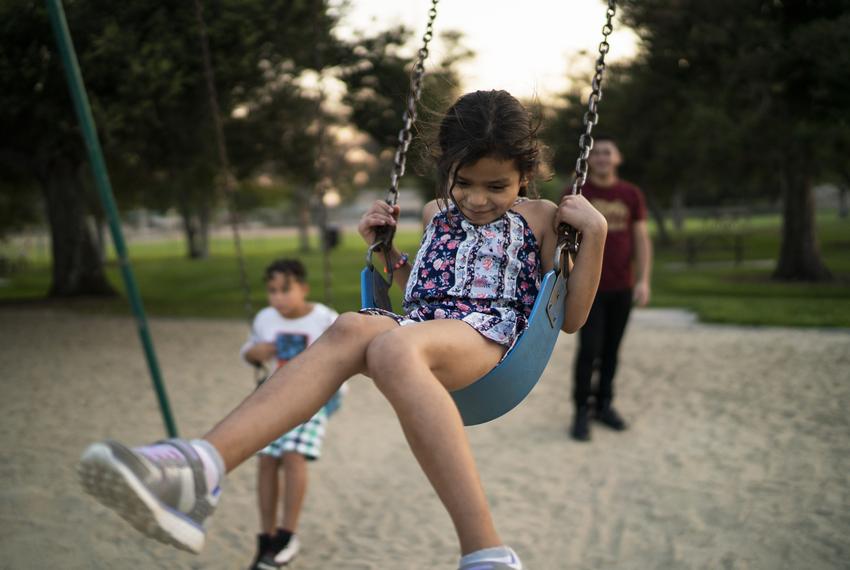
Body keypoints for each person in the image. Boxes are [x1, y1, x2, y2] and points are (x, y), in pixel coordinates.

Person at [78, 90, 607, 570]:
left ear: (526, 173)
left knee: (396, 346)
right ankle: (198, 469)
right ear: (445, 169)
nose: (476, 198)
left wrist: (595, 235)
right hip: (425, 325)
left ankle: (487, 551)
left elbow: (571, 318)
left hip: (490, 339)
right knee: (351, 324)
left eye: (497, 186)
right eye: (463, 182)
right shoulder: (435, 212)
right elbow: (427, 287)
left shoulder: (542, 218)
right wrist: (387, 253)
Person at [241, 258, 339, 569]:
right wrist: (255, 353)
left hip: (317, 397)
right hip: (275, 397)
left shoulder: (324, 318)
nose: (278, 297)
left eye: (286, 290)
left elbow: (347, 350)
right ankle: (266, 537)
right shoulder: (265, 319)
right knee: (267, 459)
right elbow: (250, 351)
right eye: (272, 291)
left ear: (304, 289)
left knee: (293, 455)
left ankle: (287, 534)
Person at [566, 136, 653, 442]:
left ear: (618, 158)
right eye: (597, 153)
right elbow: (565, 244)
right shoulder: (578, 194)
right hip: (589, 288)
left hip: (622, 285)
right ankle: (580, 411)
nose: (602, 157)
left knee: (612, 351)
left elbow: (641, 238)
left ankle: (604, 405)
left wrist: (643, 280)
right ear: (589, 160)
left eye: (608, 152)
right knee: (589, 350)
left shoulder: (630, 194)